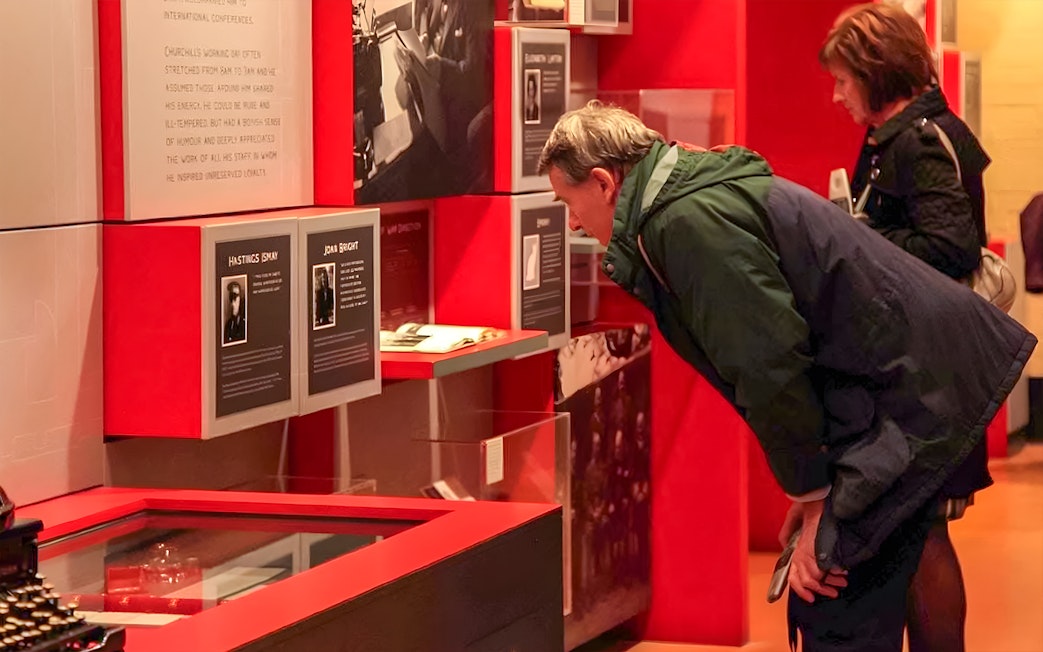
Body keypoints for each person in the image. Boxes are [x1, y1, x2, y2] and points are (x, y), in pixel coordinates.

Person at [538, 100, 1035, 651]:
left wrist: (817, 494)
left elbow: (769, 366)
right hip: (898, 388)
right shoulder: (688, 200)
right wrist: (812, 488)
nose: (573, 222)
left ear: (606, 183)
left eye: (569, 202)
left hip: (902, 394)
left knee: (828, 597)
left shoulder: (684, 222)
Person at [820, 6, 992, 650]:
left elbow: (953, 247)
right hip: (921, 365)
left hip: (931, 372)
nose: (836, 95)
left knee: (923, 536)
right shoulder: (899, 134)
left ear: (876, 71)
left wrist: (861, 243)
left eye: (843, 81)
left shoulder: (917, 140)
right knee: (917, 533)